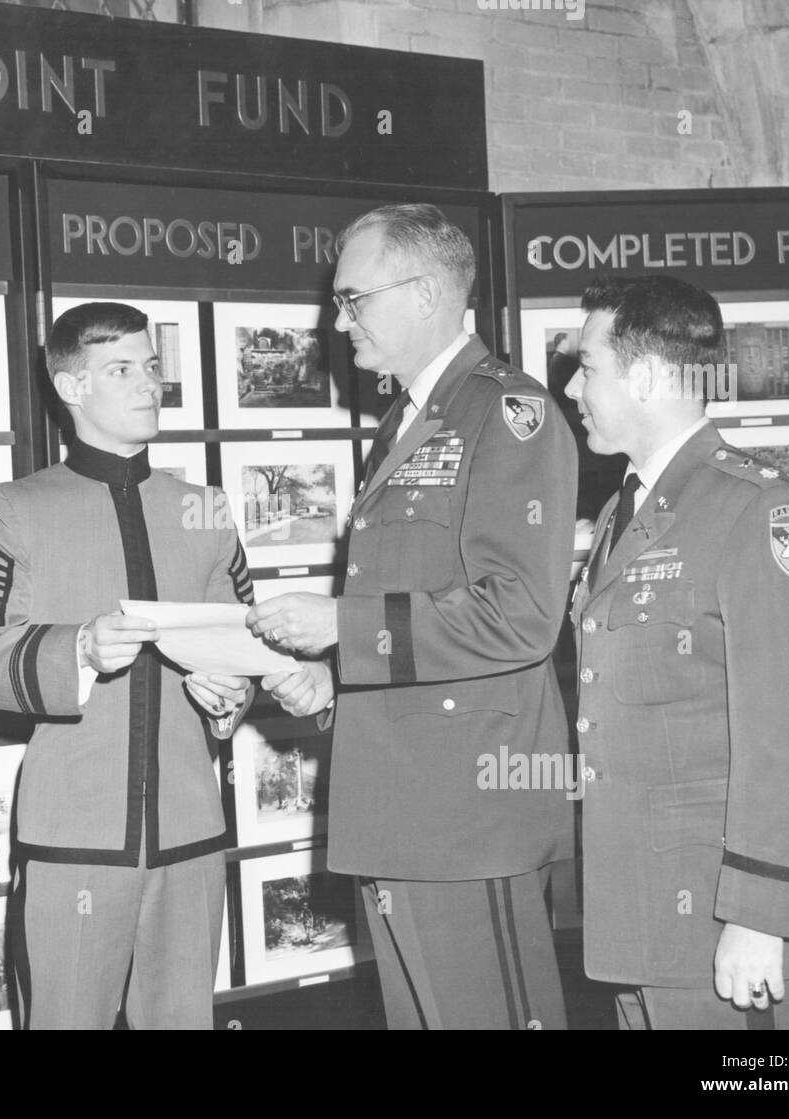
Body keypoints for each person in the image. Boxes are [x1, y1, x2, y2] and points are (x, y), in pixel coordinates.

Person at [249, 204, 579, 1029]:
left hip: (464, 813)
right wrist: (329, 674)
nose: (338, 318)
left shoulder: (508, 415)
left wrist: (342, 629)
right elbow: (420, 603)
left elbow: (522, 614)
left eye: (353, 297)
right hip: (400, 806)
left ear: (426, 292)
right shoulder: (410, 419)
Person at [0, 301, 253, 1029]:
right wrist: (74, 648)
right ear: (71, 386)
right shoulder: (11, 508)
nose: (149, 384)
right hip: (71, 841)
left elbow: (244, 641)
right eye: (122, 369)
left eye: (152, 367)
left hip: (191, 837)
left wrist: (227, 695)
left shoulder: (204, 508)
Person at [565, 274, 789, 1029]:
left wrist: (760, 915)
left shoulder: (756, 508)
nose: (572, 385)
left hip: (728, 923)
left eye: (588, 365)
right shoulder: (622, 511)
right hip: (644, 916)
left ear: (651, 375)